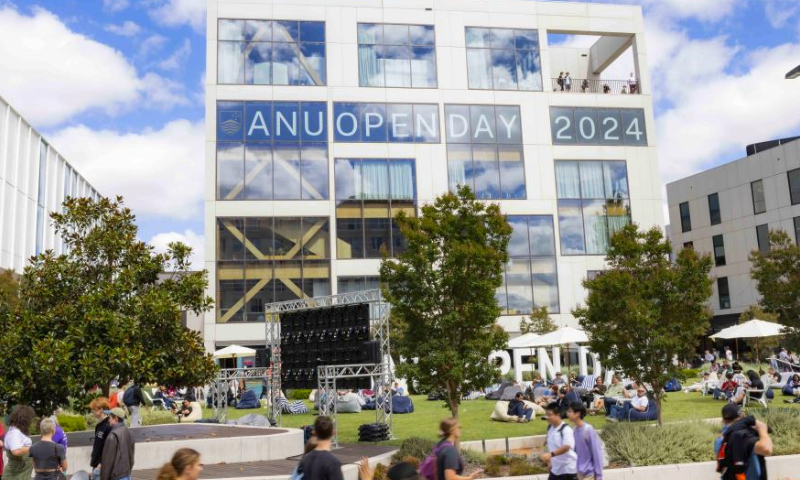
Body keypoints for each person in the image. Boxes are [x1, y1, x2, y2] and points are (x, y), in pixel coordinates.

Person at [715, 404, 772, 480]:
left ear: (723, 420)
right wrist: (762, 429)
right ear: (741, 416)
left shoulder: (720, 439)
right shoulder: (743, 435)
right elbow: (766, 449)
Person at [540, 403, 577, 480]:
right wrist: (550, 462)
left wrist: (551, 455)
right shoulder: (550, 428)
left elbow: (566, 446)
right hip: (556, 470)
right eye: (546, 414)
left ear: (558, 415)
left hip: (568, 470)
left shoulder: (566, 429)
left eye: (550, 415)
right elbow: (551, 445)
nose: (547, 417)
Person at [567, 403, 603, 480]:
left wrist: (599, 476)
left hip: (589, 475)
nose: (567, 414)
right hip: (578, 474)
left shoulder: (588, 430)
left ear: (577, 414)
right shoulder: (575, 430)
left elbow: (596, 453)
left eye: (570, 412)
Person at [100, 408, 135, 480]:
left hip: (116, 477)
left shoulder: (112, 436)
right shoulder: (129, 433)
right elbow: (131, 456)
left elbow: (107, 462)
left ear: (115, 418)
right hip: (127, 475)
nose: (108, 420)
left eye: (110, 417)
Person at [3, 405, 35, 480]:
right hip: (15, 475)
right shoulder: (14, 433)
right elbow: (16, 451)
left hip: (21, 474)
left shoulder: (17, 431)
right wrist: (32, 448)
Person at [90, 397, 114, 480]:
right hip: (96, 465)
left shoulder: (108, 425)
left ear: (100, 410)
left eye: (94, 409)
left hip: (102, 467)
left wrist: (101, 464)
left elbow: (110, 448)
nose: (92, 411)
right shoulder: (98, 426)